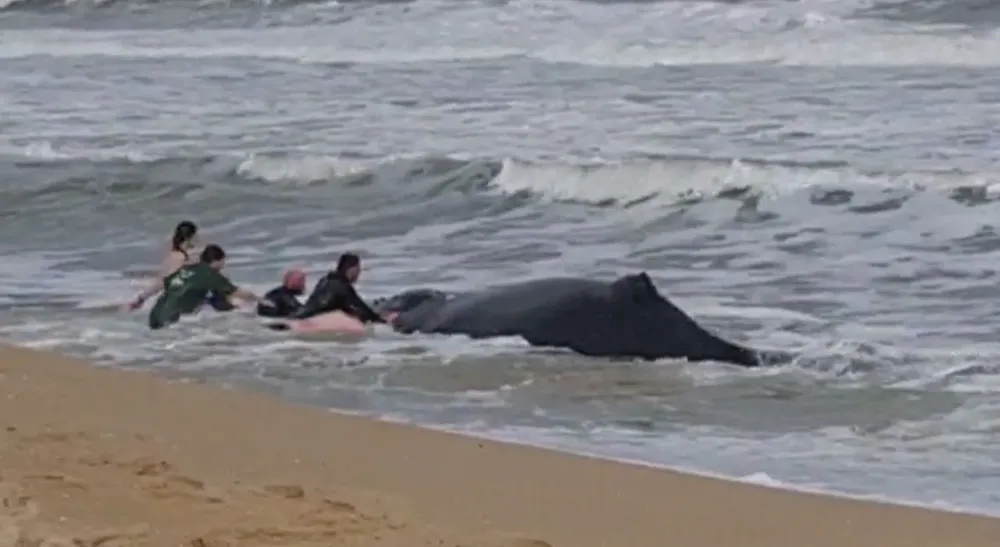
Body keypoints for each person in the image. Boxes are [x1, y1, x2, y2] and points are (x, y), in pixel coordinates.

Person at [147, 244, 260, 330]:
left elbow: (162, 283)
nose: (223, 265)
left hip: (155, 315)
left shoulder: (186, 269)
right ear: (216, 261)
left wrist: (141, 299)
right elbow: (238, 293)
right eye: (222, 261)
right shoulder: (210, 275)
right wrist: (261, 300)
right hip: (171, 320)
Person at [125, 220, 199, 311]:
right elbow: (167, 283)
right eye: (196, 236)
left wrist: (141, 299)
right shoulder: (179, 258)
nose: (198, 239)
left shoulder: (175, 255)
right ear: (189, 238)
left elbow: (160, 283)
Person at [292, 253, 387, 323]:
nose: (359, 273)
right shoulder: (342, 286)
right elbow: (361, 308)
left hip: (298, 315)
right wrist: (381, 321)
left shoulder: (325, 280)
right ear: (352, 269)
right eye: (358, 269)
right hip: (309, 320)